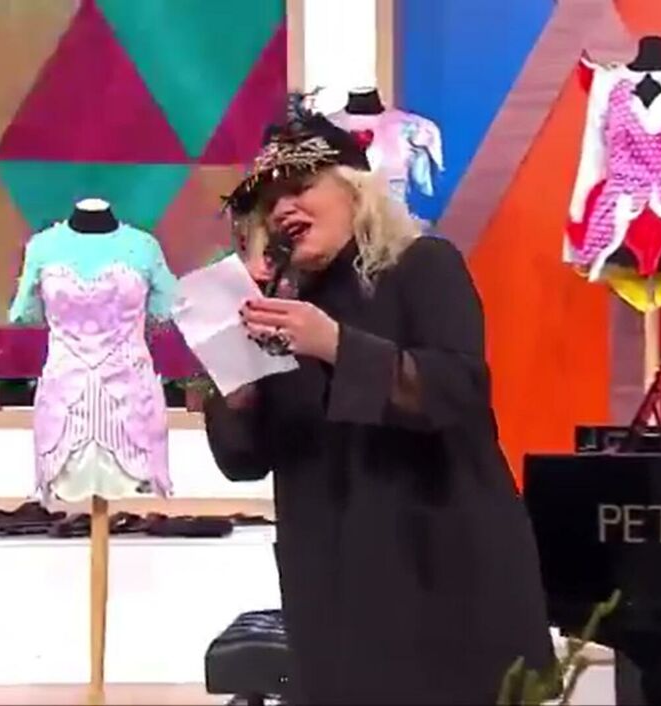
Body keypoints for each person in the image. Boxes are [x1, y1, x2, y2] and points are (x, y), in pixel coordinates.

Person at [204, 95, 555, 705]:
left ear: (354, 191)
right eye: (268, 203)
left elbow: (456, 392)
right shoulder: (279, 307)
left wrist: (335, 344)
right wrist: (237, 389)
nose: (283, 208)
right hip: (333, 586)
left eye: (300, 188)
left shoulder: (424, 265)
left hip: (440, 573)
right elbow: (246, 462)